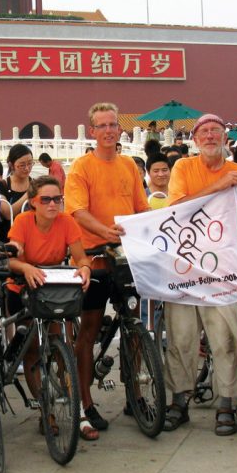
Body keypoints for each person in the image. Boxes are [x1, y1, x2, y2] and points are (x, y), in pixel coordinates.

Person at [163, 113, 237, 435]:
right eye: (204, 132)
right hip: (185, 266)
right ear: (195, 140)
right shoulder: (183, 168)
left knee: (225, 337)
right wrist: (217, 187)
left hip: (225, 268)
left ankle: (227, 402)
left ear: (225, 137)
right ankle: (180, 399)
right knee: (181, 337)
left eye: (216, 131)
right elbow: (176, 209)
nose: (210, 136)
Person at [64, 102, 148, 436]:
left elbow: (141, 208)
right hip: (94, 259)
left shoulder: (129, 165)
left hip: (125, 258)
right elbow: (77, 212)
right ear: (91, 131)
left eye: (114, 124)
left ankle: (135, 394)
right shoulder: (82, 167)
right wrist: (105, 232)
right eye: (102, 126)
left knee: (135, 326)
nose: (110, 131)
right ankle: (85, 401)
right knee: (88, 331)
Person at [5, 175, 92, 435]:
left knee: (61, 347)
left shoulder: (66, 222)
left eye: (57, 199)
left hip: (52, 288)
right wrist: (26, 266)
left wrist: (85, 268)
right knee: (32, 351)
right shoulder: (22, 222)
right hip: (22, 286)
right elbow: (13, 257)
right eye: (46, 199)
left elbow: (80, 257)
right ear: (34, 202)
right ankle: (46, 411)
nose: (53, 204)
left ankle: (79, 411)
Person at [0, 144, 34, 239]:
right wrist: (29, 193)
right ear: (11, 165)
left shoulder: (36, 184)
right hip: (8, 238)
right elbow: (8, 213)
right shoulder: (2, 185)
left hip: (31, 237)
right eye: (22, 165)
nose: (27, 168)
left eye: (30, 163)